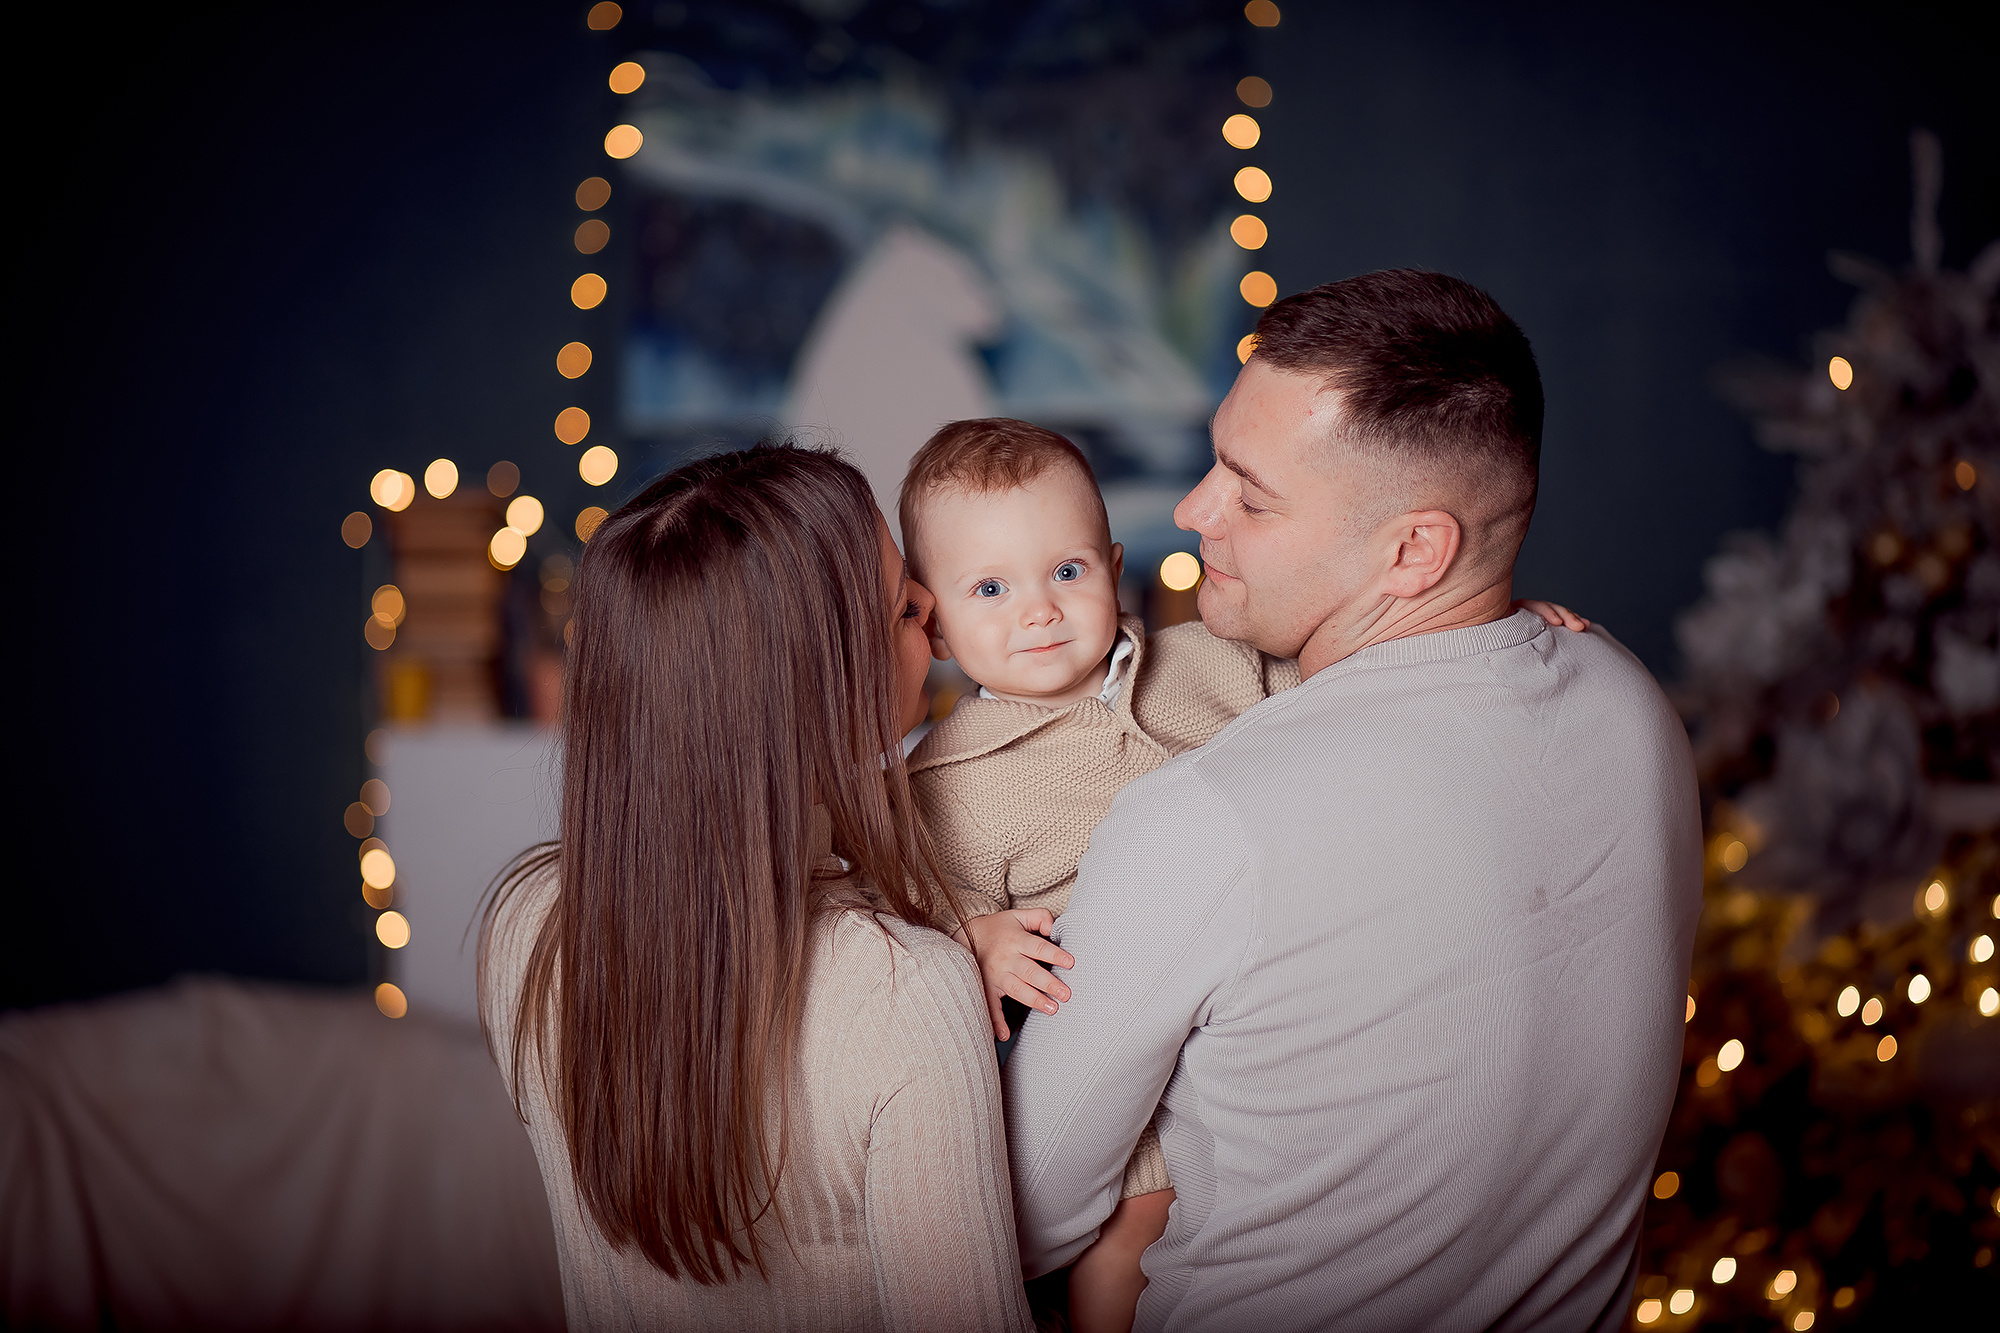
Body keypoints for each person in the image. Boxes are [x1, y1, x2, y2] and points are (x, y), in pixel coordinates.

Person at [1001, 270, 1703, 1332]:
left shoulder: (1211, 817)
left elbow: (1014, 1212)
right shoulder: (1630, 704)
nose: (1195, 512)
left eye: (1251, 492)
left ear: (1414, 550)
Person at [898, 417, 1586, 1333]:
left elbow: (1375, 675)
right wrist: (973, 940)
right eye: (991, 588)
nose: (1039, 609)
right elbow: (908, 932)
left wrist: (1483, 627)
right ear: (936, 622)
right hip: (1118, 1082)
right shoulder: (944, 783)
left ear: (1111, 564)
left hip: (1283, 1025)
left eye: (1067, 571)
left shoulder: (1209, 660)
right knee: (1124, 1250)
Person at [479, 444, 1032, 1333]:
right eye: (900, 609)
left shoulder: (526, 925)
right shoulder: (905, 995)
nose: (931, 605)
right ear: (816, 692)